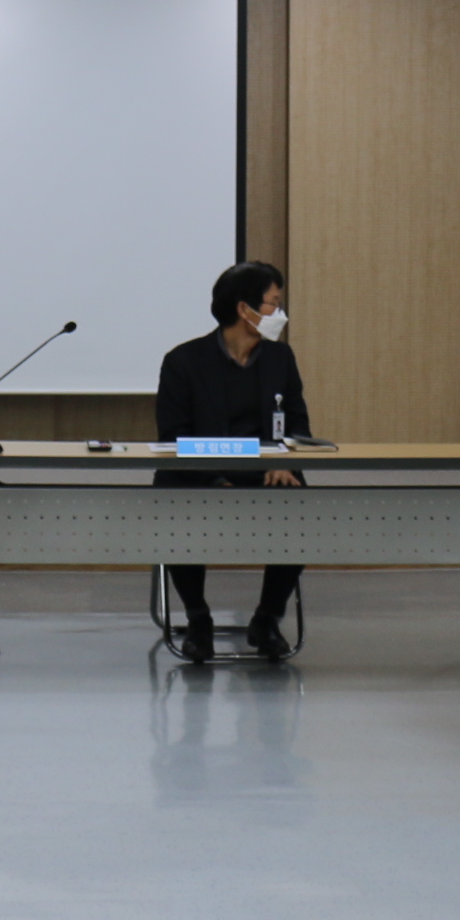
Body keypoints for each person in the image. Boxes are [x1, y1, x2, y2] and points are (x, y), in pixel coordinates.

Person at [151, 260, 311, 664]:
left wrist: (284, 461)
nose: (279, 312)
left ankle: (267, 619)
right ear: (245, 309)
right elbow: (173, 437)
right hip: (199, 477)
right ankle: (198, 620)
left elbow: (298, 423)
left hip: (265, 475)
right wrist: (214, 478)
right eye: (274, 303)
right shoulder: (183, 361)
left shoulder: (280, 358)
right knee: (176, 505)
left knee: (302, 508)